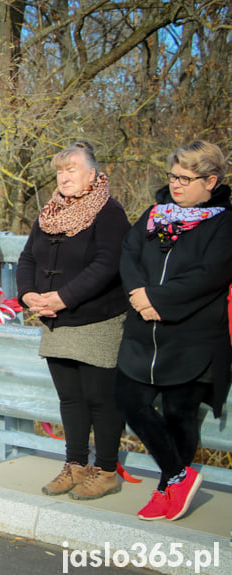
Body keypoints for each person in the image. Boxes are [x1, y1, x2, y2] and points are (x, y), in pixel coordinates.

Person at [114, 140, 232, 521]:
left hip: (191, 336)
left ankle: (168, 488)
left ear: (210, 180)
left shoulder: (224, 221)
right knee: (129, 400)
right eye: (173, 176)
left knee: (180, 413)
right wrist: (138, 293)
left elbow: (210, 275)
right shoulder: (154, 214)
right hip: (141, 332)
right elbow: (128, 253)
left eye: (186, 178)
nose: (176, 185)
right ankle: (179, 475)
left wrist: (158, 301)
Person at [16, 142, 131, 500]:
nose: (64, 178)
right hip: (55, 320)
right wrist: (28, 294)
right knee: (70, 398)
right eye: (60, 171)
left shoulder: (109, 212)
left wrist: (63, 298)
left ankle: (108, 470)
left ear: (92, 174)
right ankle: (76, 465)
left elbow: (107, 265)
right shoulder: (50, 212)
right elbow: (27, 259)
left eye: (72, 170)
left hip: (97, 320)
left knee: (101, 399)